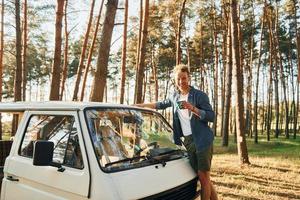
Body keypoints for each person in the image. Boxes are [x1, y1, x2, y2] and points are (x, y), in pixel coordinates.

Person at [135, 64, 218, 200]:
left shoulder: (199, 95)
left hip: (202, 140)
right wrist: (139, 106)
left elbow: (211, 116)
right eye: (178, 79)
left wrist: (193, 108)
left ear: (189, 78)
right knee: (202, 177)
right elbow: (159, 105)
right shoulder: (175, 97)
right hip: (188, 141)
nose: (181, 82)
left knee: (203, 178)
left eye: (184, 78)